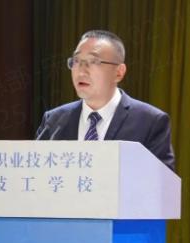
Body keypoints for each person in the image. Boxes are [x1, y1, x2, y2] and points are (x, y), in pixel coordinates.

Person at [36, 30, 175, 170]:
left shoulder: (150, 122)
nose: (81, 71)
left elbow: (161, 181)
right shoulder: (54, 120)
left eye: (93, 61)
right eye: (76, 61)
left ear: (119, 72)